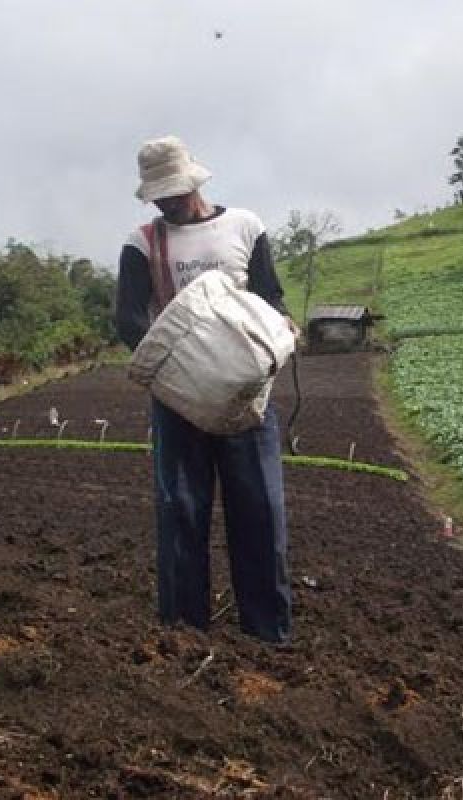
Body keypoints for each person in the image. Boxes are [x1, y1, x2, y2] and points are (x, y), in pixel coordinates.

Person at [115, 135, 295, 644]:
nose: (168, 202)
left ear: (194, 180)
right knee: (182, 514)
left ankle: (267, 635)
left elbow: (269, 299)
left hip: (245, 398)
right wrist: (185, 370)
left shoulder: (244, 227)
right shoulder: (142, 243)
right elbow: (129, 321)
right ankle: (182, 634)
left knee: (260, 511)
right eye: (159, 196)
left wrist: (278, 338)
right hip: (179, 402)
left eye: (174, 191)